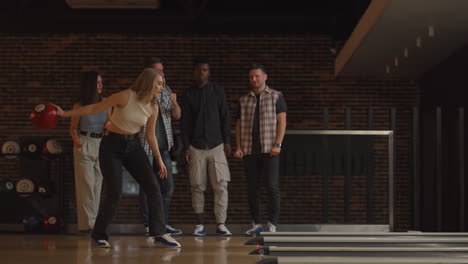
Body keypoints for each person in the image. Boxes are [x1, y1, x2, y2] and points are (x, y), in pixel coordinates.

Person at [54, 68, 181, 248]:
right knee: (114, 192)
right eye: (159, 83)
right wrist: (64, 113)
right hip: (111, 146)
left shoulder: (153, 106)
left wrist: (159, 160)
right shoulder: (125, 96)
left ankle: (159, 232)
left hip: (133, 146)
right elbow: (94, 108)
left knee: (153, 186)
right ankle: (98, 234)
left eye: (162, 84)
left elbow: (151, 135)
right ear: (148, 82)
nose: (162, 87)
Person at [234, 63, 287, 235]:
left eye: (257, 76)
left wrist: (278, 144)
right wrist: (239, 147)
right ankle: (256, 223)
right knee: (252, 189)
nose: (254, 79)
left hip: (270, 149)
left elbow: (282, 121)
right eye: (251, 77)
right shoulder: (243, 100)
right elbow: (239, 125)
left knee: (272, 187)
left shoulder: (276, 96)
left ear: (265, 77)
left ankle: (272, 224)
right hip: (250, 150)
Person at [181, 57, 232, 236]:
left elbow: (225, 116)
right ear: (194, 72)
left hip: (217, 145)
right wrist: (186, 146)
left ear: (208, 72)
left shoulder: (218, 91)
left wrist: (227, 140)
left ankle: (221, 224)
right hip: (196, 147)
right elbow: (185, 124)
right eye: (199, 70)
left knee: (220, 185)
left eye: (205, 70)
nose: (202, 73)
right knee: (197, 186)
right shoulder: (188, 94)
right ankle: (199, 225)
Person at [138, 57, 182, 235]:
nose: (162, 73)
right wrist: (166, 100)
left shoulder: (167, 90)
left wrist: (174, 101)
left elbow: (177, 114)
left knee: (167, 186)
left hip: (164, 147)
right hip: (145, 146)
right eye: (158, 70)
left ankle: (162, 222)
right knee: (147, 186)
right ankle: (149, 224)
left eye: (163, 70)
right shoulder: (141, 92)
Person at [70, 71, 108, 235]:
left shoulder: (106, 103)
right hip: (84, 142)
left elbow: (110, 124)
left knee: (97, 186)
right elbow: (73, 128)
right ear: (90, 85)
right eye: (97, 83)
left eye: (101, 82)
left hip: (102, 144)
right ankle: (89, 225)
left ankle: (92, 224)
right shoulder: (79, 105)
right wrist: (76, 141)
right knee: (86, 185)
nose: (100, 86)